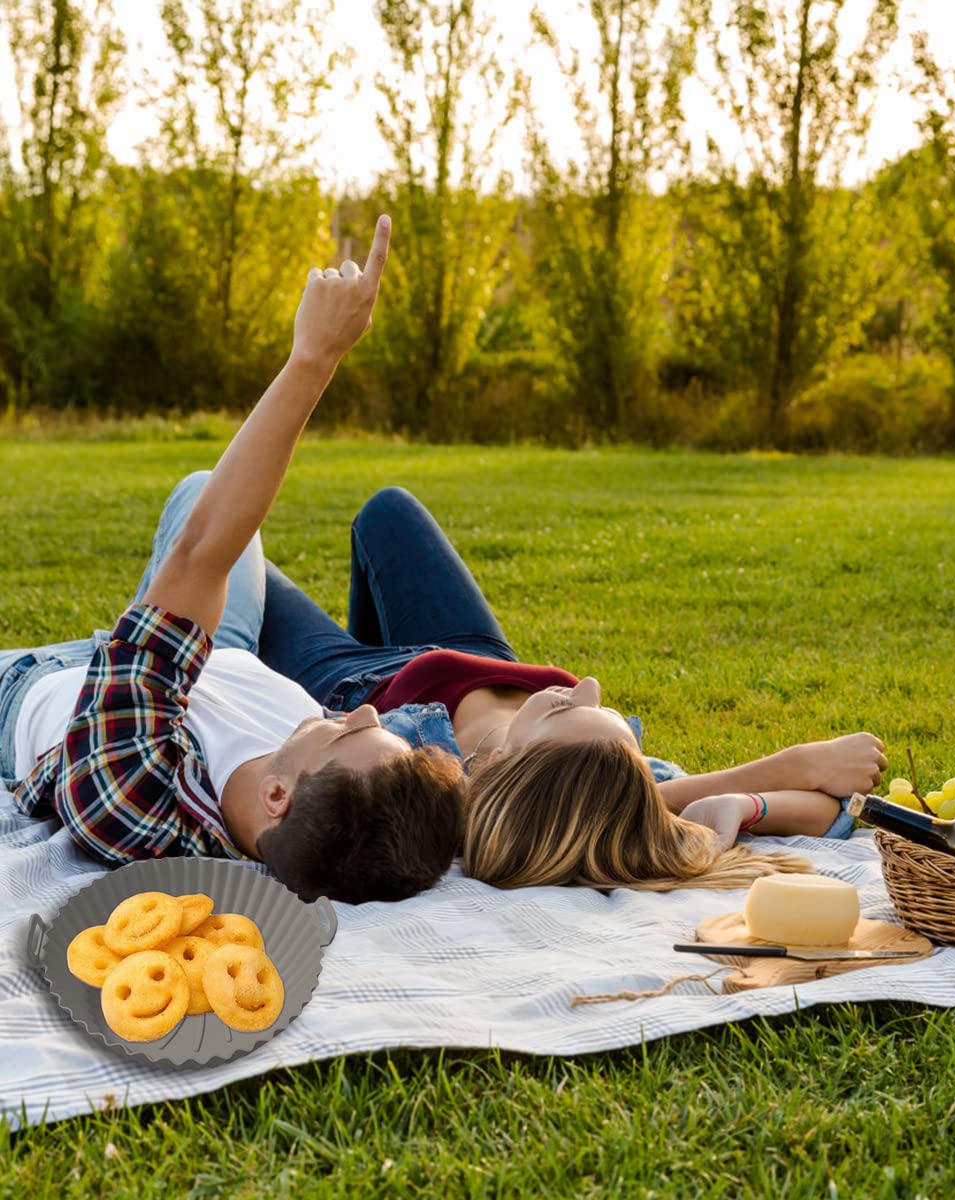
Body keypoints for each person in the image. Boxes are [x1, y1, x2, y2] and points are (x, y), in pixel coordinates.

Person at [0, 216, 466, 904]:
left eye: (348, 735)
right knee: (199, 490)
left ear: (276, 796)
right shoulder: (342, 801)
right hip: (222, 652)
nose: (369, 717)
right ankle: (147, 644)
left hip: (41, 686)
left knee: (204, 523)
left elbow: (201, 549)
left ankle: (142, 649)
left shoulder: (137, 796)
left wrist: (316, 356)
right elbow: (545, 797)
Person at [254, 487, 890, 890]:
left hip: (353, 686)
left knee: (240, 553)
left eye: (561, 710)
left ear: (503, 766)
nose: (585, 684)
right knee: (387, 510)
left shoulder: (444, 796)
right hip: (474, 655)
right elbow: (829, 815)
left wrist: (793, 762)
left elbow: (664, 798)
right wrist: (749, 803)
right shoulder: (608, 777)